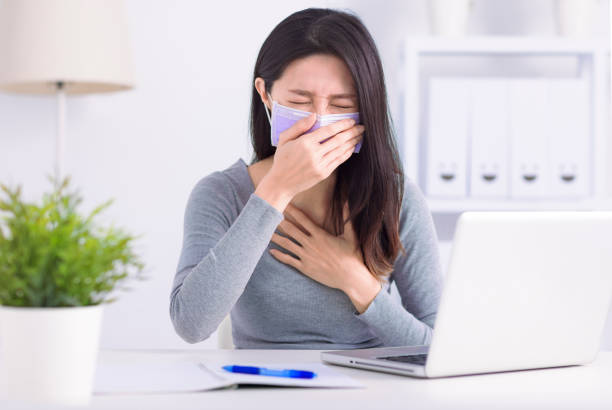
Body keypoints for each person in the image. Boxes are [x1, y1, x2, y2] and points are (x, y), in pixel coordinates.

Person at [169, 7, 442, 349]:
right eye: (300, 100)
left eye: (342, 105)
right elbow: (191, 324)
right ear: (266, 94)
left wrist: (353, 279)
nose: (318, 120)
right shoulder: (221, 194)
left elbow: (438, 349)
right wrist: (275, 190)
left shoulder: (397, 198)